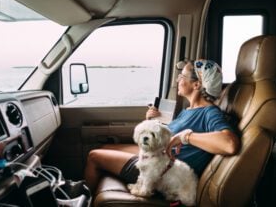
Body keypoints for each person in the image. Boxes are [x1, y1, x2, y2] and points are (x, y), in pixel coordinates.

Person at [84, 59, 240, 193]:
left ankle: (85, 200)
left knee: (94, 156)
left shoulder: (210, 112)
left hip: (162, 171)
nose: (178, 80)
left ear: (197, 84)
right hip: (156, 156)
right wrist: (152, 121)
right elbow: (167, 137)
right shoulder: (188, 110)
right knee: (105, 146)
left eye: (182, 76)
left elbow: (229, 144)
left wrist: (186, 137)